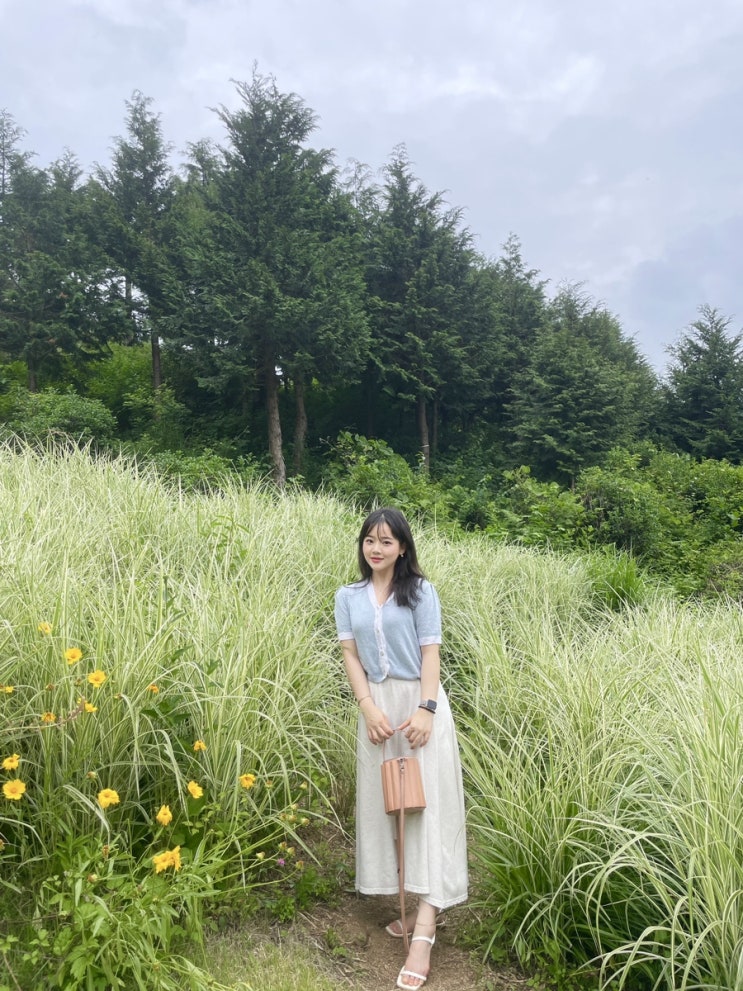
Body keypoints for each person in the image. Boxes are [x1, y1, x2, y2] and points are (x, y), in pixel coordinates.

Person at [334, 508, 468, 990]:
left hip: (418, 707)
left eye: (387, 541)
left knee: (429, 810)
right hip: (377, 711)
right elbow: (350, 654)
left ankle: (424, 929)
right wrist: (367, 707)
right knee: (390, 808)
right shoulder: (347, 597)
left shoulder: (420, 592)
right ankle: (411, 905)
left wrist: (426, 710)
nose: (376, 548)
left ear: (403, 548)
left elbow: (431, 653)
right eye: (370, 540)